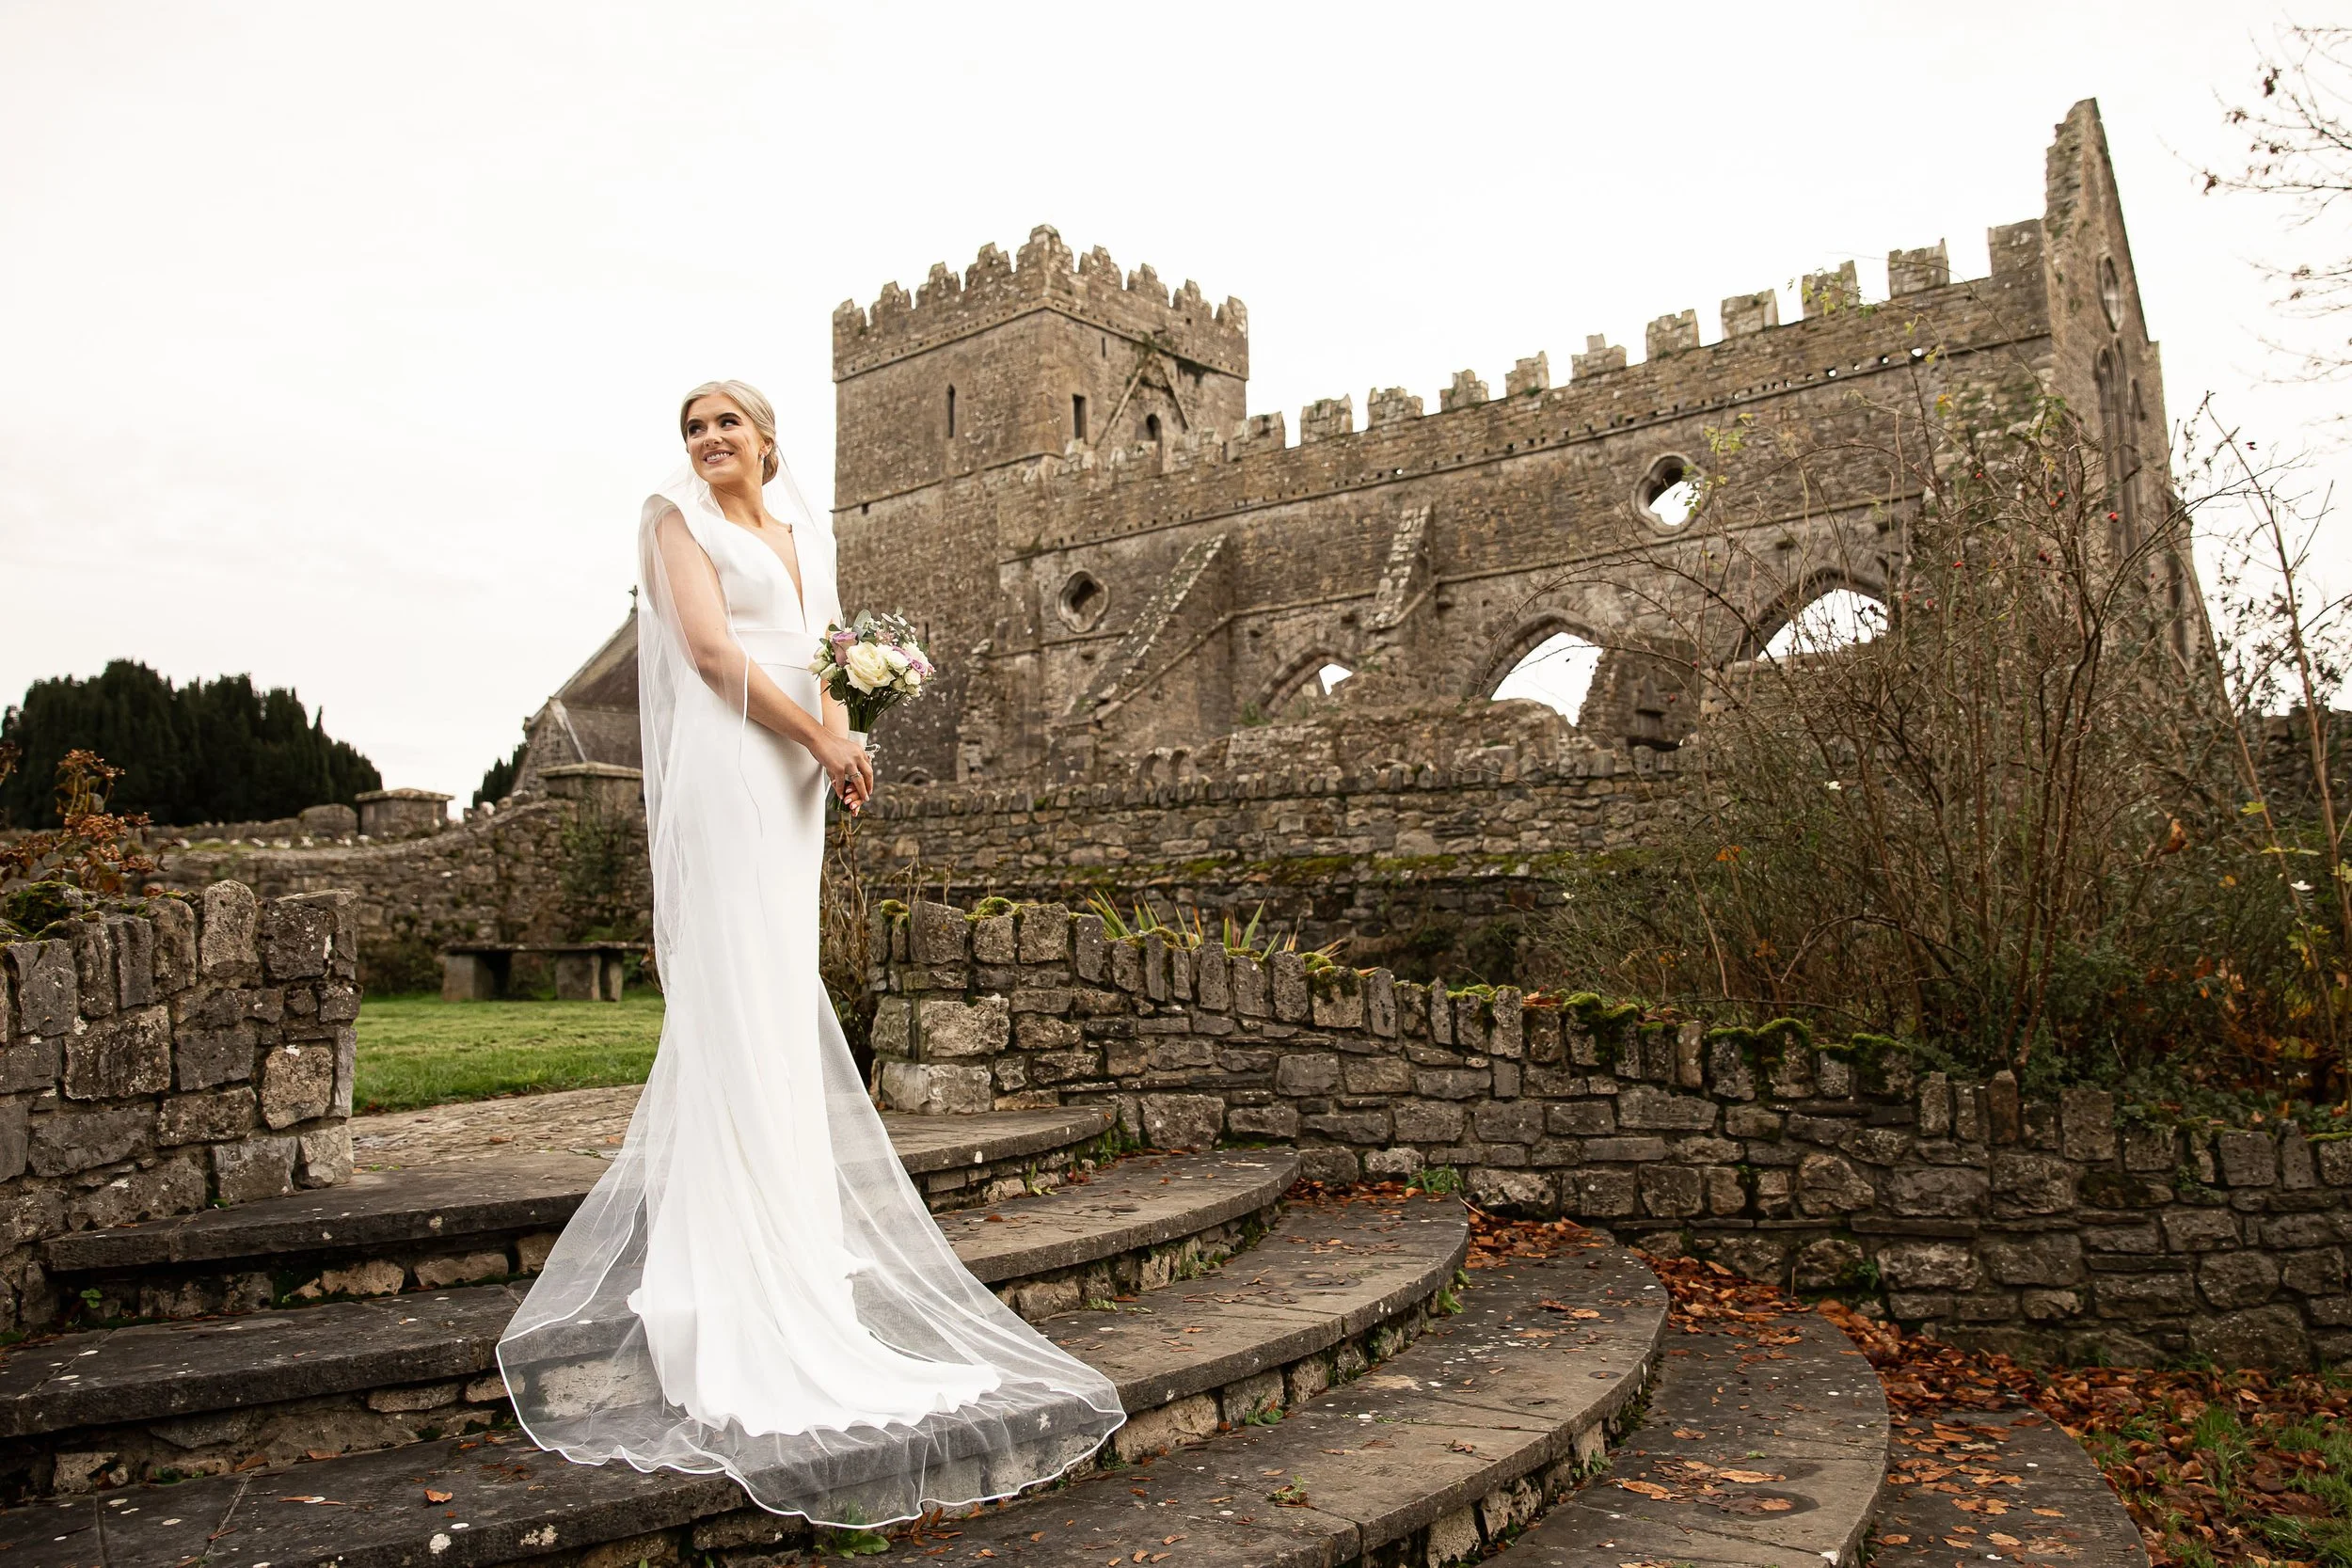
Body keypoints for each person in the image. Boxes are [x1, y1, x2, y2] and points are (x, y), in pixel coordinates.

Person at [496, 380, 1122, 1528]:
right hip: (738, 762)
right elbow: (710, 653)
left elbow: (825, 646)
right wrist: (819, 732)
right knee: (737, 989)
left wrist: (850, 735)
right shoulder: (671, 520)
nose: (706, 440)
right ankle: (731, 1265)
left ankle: (789, 1234)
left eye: (724, 421)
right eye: (692, 427)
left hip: (801, 775)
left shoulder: (801, 532)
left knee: (778, 992)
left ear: (767, 439)